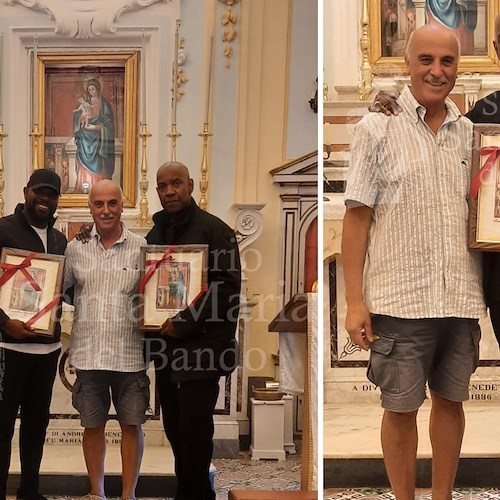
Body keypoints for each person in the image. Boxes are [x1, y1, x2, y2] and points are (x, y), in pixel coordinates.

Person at [342, 24, 484, 499]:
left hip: (460, 296)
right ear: (407, 63)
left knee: (452, 402)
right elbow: (357, 220)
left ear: (458, 68)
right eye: (426, 60)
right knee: (400, 408)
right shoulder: (376, 128)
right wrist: (355, 303)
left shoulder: (472, 135)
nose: (437, 71)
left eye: (447, 62)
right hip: (400, 300)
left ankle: (442, 497)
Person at [370, 13, 500, 347]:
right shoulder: (483, 117)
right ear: (498, 49)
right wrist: (391, 103)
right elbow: (436, 134)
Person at [146, 161, 241, 500]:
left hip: (202, 349)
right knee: (174, 430)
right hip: (167, 351)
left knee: (195, 433)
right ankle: (199, 494)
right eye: (162, 186)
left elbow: (227, 290)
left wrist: (184, 321)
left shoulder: (216, 231)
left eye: (175, 183)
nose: (169, 191)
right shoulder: (155, 234)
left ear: (190, 185)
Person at [63, 180, 149, 500]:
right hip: (88, 354)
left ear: (122, 205)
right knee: (92, 427)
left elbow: (154, 295)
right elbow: (59, 289)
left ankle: (129, 494)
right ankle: (96, 493)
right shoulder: (76, 248)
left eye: (112, 203)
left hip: (129, 354)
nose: (106, 210)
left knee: (131, 426)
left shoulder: (141, 246)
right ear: (90, 208)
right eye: (99, 204)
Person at [0, 169, 67, 500]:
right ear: (26, 191)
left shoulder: (59, 240)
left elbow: (62, 289)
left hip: (47, 349)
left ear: (57, 200)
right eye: (39, 192)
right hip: (7, 347)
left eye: (51, 194)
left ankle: (30, 491)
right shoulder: (3, 229)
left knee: (36, 425)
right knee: (1, 426)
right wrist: (2, 322)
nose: (44, 199)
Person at [73, 79, 115, 194]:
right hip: (85, 137)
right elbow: (77, 118)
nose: (91, 91)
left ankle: (101, 189)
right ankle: (84, 188)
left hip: (98, 139)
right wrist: (81, 118)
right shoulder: (84, 102)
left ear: (98, 89)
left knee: (98, 160)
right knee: (82, 156)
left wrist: (96, 128)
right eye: (89, 89)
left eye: (93, 89)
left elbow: (109, 124)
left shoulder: (104, 104)